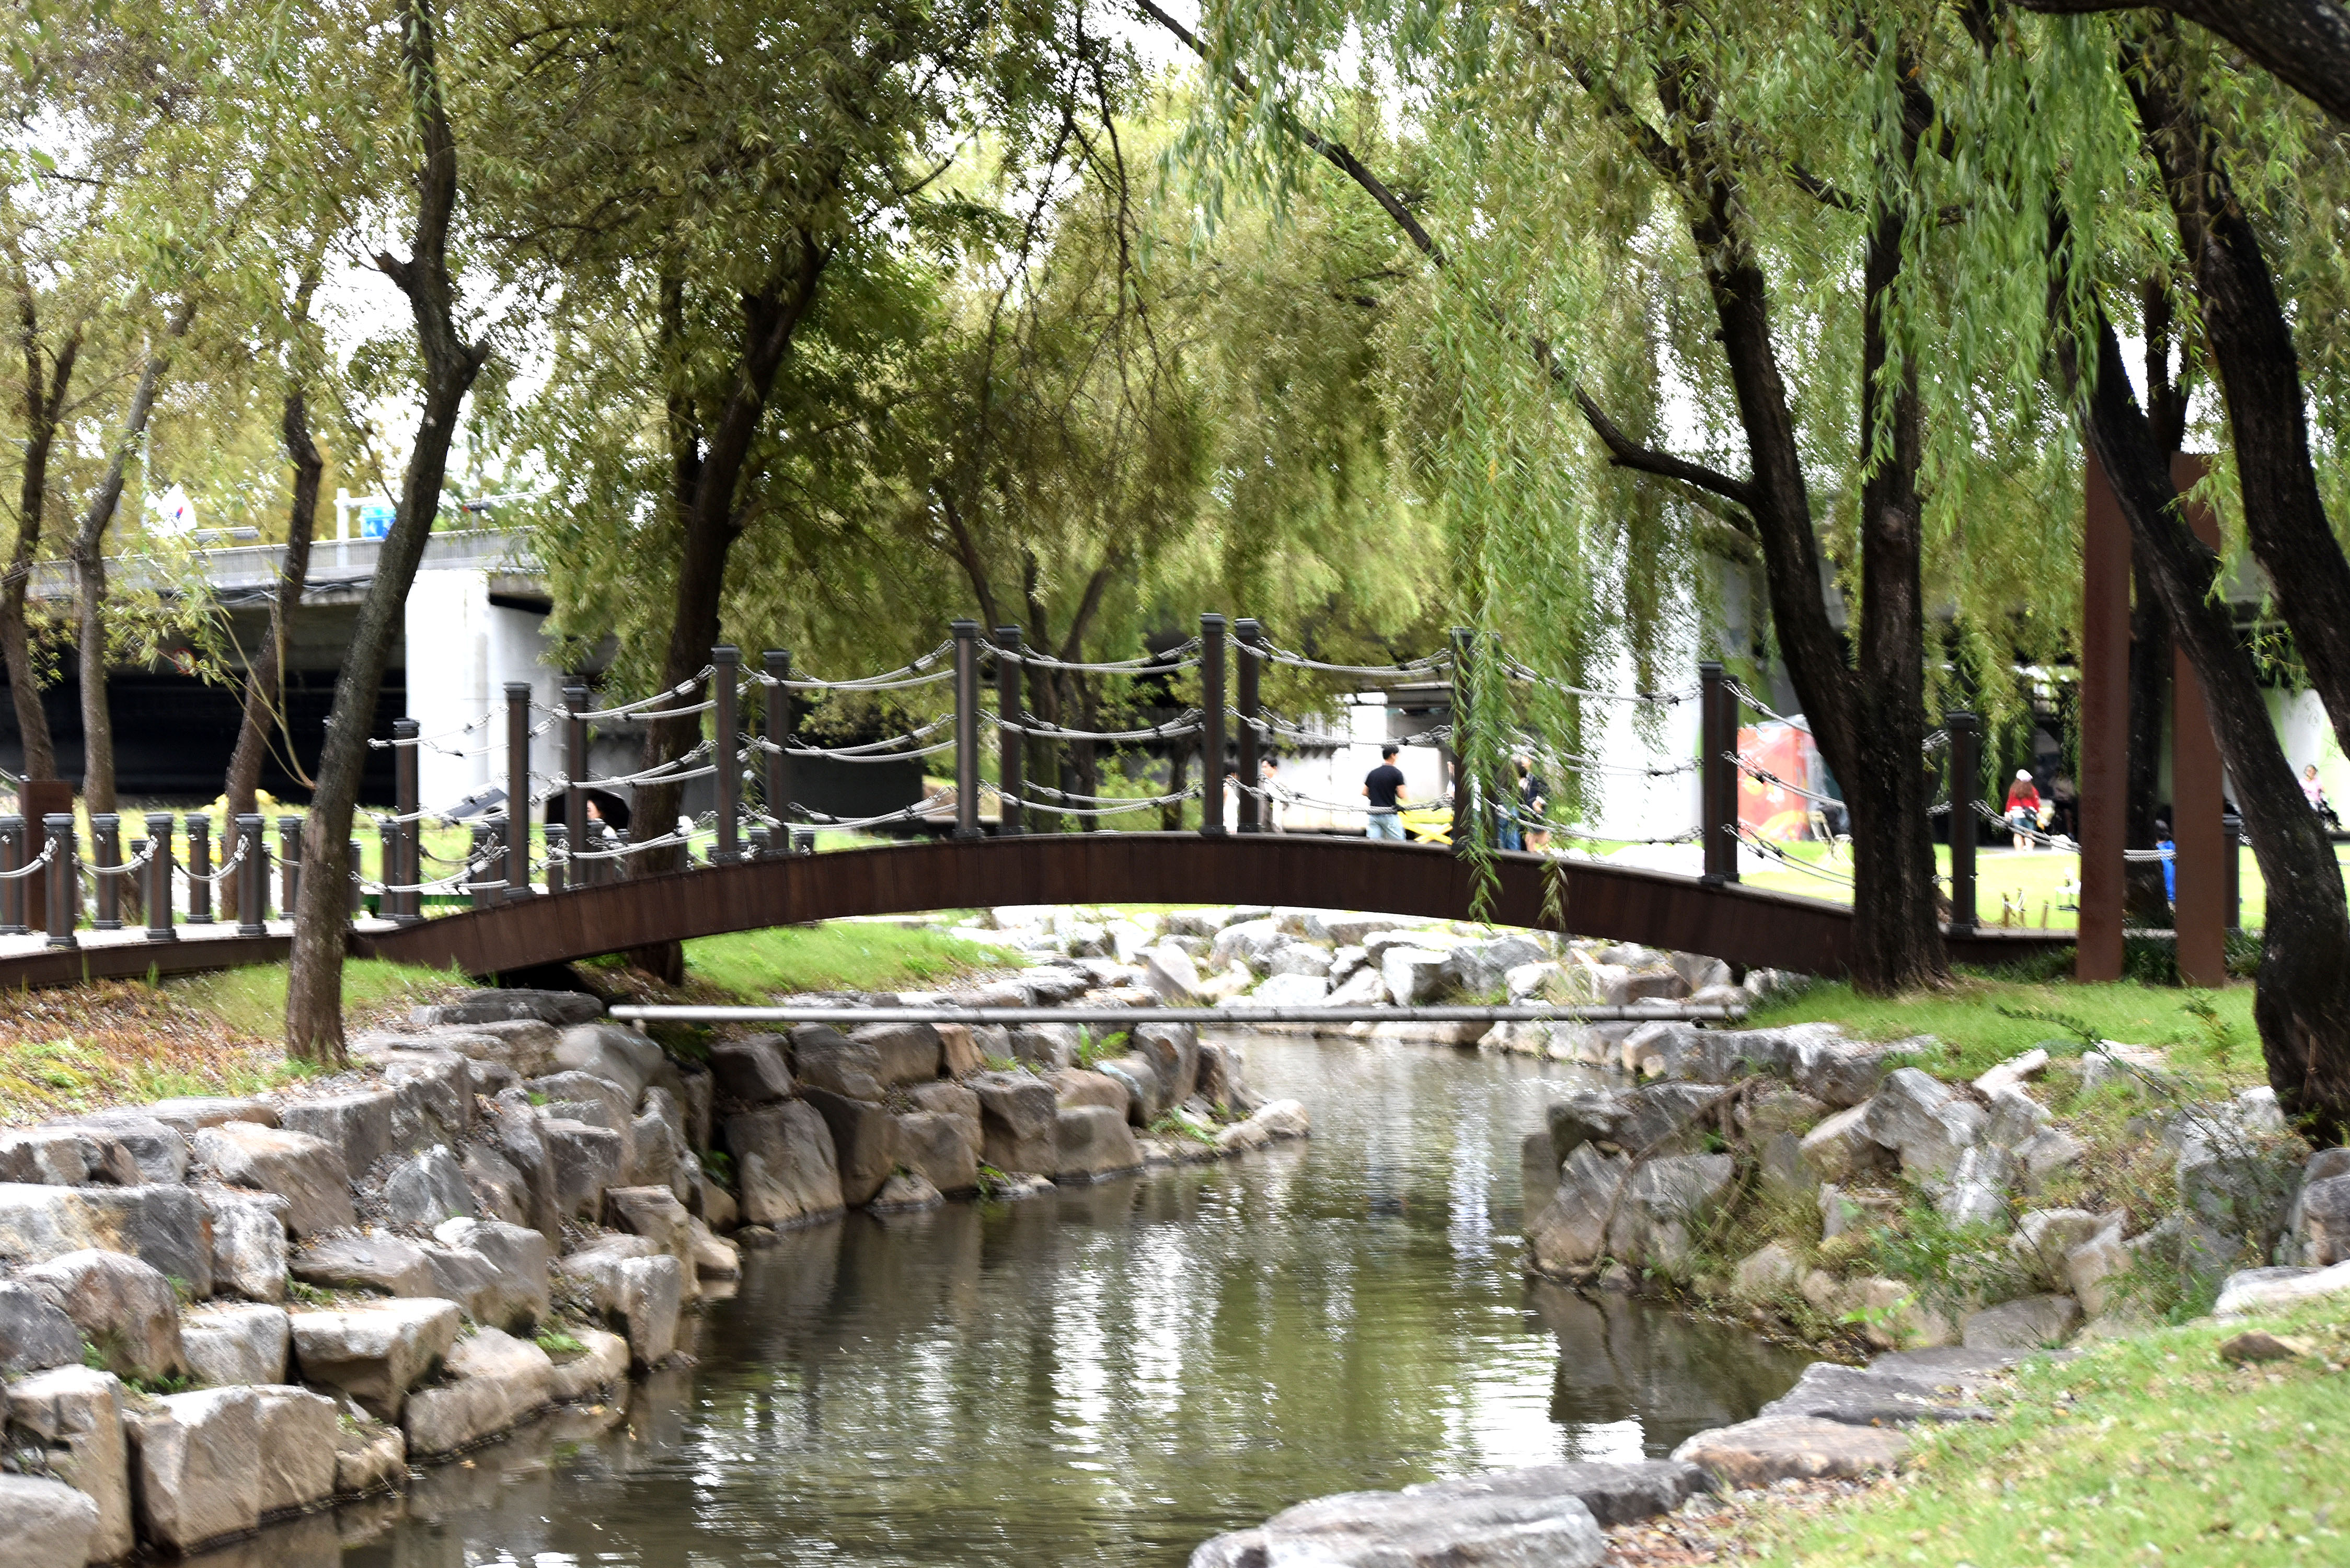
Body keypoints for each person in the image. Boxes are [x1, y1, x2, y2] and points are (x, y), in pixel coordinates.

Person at [1364, 745, 1407, 839]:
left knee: (1374, 844)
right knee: (1399, 844)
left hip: (1374, 813)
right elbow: (1402, 795)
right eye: (1396, 755)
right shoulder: (1397, 773)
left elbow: (1365, 792)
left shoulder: (1373, 773)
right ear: (1392, 755)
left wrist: (1376, 796)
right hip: (1389, 814)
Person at [2004, 769, 2042, 851]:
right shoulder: (2033, 789)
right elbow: (2036, 802)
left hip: (2016, 814)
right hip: (2029, 815)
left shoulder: (2014, 789)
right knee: (2030, 834)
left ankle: (2019, 853)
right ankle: (2030, 851)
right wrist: (2038, 812)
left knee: (2018, 835)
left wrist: (2007, 812)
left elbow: (2010, 801)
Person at [1519, 756, 1550, 852]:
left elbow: (1547, 791)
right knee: (1531, 842)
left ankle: (1548, 859)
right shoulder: (1529, 775)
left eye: (1525, 758)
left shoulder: (1538, 776)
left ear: (1531, 761)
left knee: (1533, 842)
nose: (1522, 760)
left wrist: (1539, 802)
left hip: (1537, 816)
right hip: (1532, 815)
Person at [2304, 764, 2341, 831]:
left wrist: (2326, 794)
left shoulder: (2317, 780)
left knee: (2329, 812)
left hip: (2318, 801)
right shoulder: (2302, 782)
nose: (2311, 773)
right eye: (2309, 771)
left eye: (2313, 772)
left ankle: (2334, 825)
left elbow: (2323, 789)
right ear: (2306, 772)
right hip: (2308, 801)